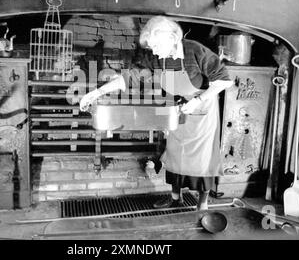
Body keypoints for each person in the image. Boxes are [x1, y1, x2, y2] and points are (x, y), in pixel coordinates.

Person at [79, 16, 233, 210]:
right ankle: (176, 199)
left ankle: (202, 205)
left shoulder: (195, 50)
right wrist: (96, 92)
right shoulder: (155, 57)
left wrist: (198, 101)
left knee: (202, 161)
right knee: (175, 155)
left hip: (202, 111)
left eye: (157, 46)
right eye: (152, 48)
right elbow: (127, 79)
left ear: (172, 37)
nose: (155, 53)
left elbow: (224, 80)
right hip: (177, 110)